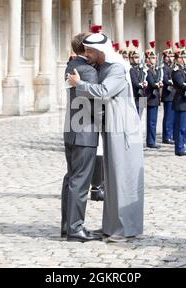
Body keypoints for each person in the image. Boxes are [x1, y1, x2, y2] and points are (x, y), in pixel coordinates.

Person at [67, 32, 144, 242]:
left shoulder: (117, 68)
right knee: (112, 180)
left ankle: (125, 228)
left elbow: (103, 92)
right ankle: (112, 226)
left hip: (123, 128)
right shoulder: (102, 67)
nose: (86, 55)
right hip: (111, 127)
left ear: (101, 51)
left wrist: (79, 84)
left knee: (123, 179)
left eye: (90, 51)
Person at [61, 32, 102, 242]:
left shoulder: (71, 65)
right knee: (80, 181)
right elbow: (94, 104)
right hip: (85, 130)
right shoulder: (89, 71)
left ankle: (67, 225)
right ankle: (76, 228)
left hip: (71, 129)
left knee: (70, 178)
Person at [172, 40, 186, 156]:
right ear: (179, 59)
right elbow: (180, 83)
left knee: (185, 127)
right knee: (181, 127)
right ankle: (180, 148)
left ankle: (183, 146)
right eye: (184, 57)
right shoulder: (176, 71)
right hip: (181, 101)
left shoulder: (185, 70)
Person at [145, 41, 162, 149]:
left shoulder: (154, 70)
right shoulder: (146, 70)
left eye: (154, 58)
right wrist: (158, 84)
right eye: (152, 58)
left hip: (153, 97)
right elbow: (151, 83)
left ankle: (151, 141)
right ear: (147, 59)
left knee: (153, 120)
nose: (154, 60)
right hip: (145, 97)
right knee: (143, 120)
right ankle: (149, 141)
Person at [161, 41, 176, 145]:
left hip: (173, 94)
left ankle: (170, 135)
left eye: (172, 56)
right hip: (168, 94)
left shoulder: (171, 67)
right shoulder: (164, 67)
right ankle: (166, 136)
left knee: (172, 117)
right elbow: (165, 80)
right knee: (168, 117)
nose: (170, 58)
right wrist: (172, 81)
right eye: (168, 56)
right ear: (164, 57)